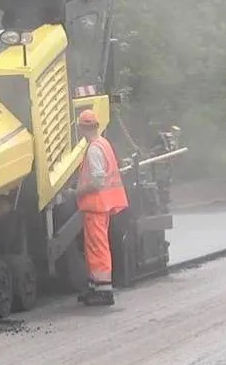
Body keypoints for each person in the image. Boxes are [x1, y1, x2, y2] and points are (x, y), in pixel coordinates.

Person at [74, 109, 128, 306]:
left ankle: (104, 290)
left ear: (81, 128)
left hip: (96, 205)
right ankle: (95, 286)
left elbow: (97, 180)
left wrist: (77, 191)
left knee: (98, 247)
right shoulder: (103, 143)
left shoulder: (94, 149)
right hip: (100, 205)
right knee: (94, 247)